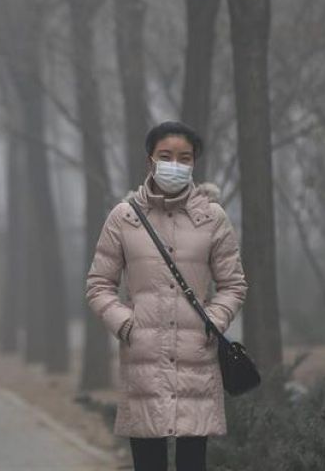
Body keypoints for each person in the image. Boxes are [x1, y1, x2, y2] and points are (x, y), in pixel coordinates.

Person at [86, 121, 248, 471]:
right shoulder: (124, 217)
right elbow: (99, 284)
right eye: (166, 156)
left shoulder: (212, 218)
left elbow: (233, 284)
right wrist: (126, 324)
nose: (175, 164)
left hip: (197, 358)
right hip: (143, 359)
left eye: (184, 157)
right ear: (150, 161)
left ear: (193, 164)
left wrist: (214, 321)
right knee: (148, 464)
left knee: (193, 464)